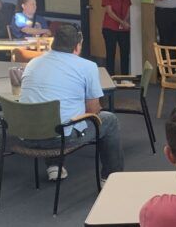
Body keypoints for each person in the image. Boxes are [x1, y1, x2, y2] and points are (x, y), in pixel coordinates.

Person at [19, 25, 123, 182]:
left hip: (26, 135)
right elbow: (93, 110)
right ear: (77, 46)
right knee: (109, 120)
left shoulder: (33, 63)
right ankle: (111, 178)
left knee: (53, 111)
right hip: (58, 139)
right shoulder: (87, 66)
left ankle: (54, 166)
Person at [101, 0, 132, 75]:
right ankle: (110, 77)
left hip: (123, 28)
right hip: (110, 27)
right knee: (111, 53)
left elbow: (128, 8)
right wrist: (121, 22)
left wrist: (125, 22)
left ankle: (125, 77)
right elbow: (109, 12)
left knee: (125, 52)